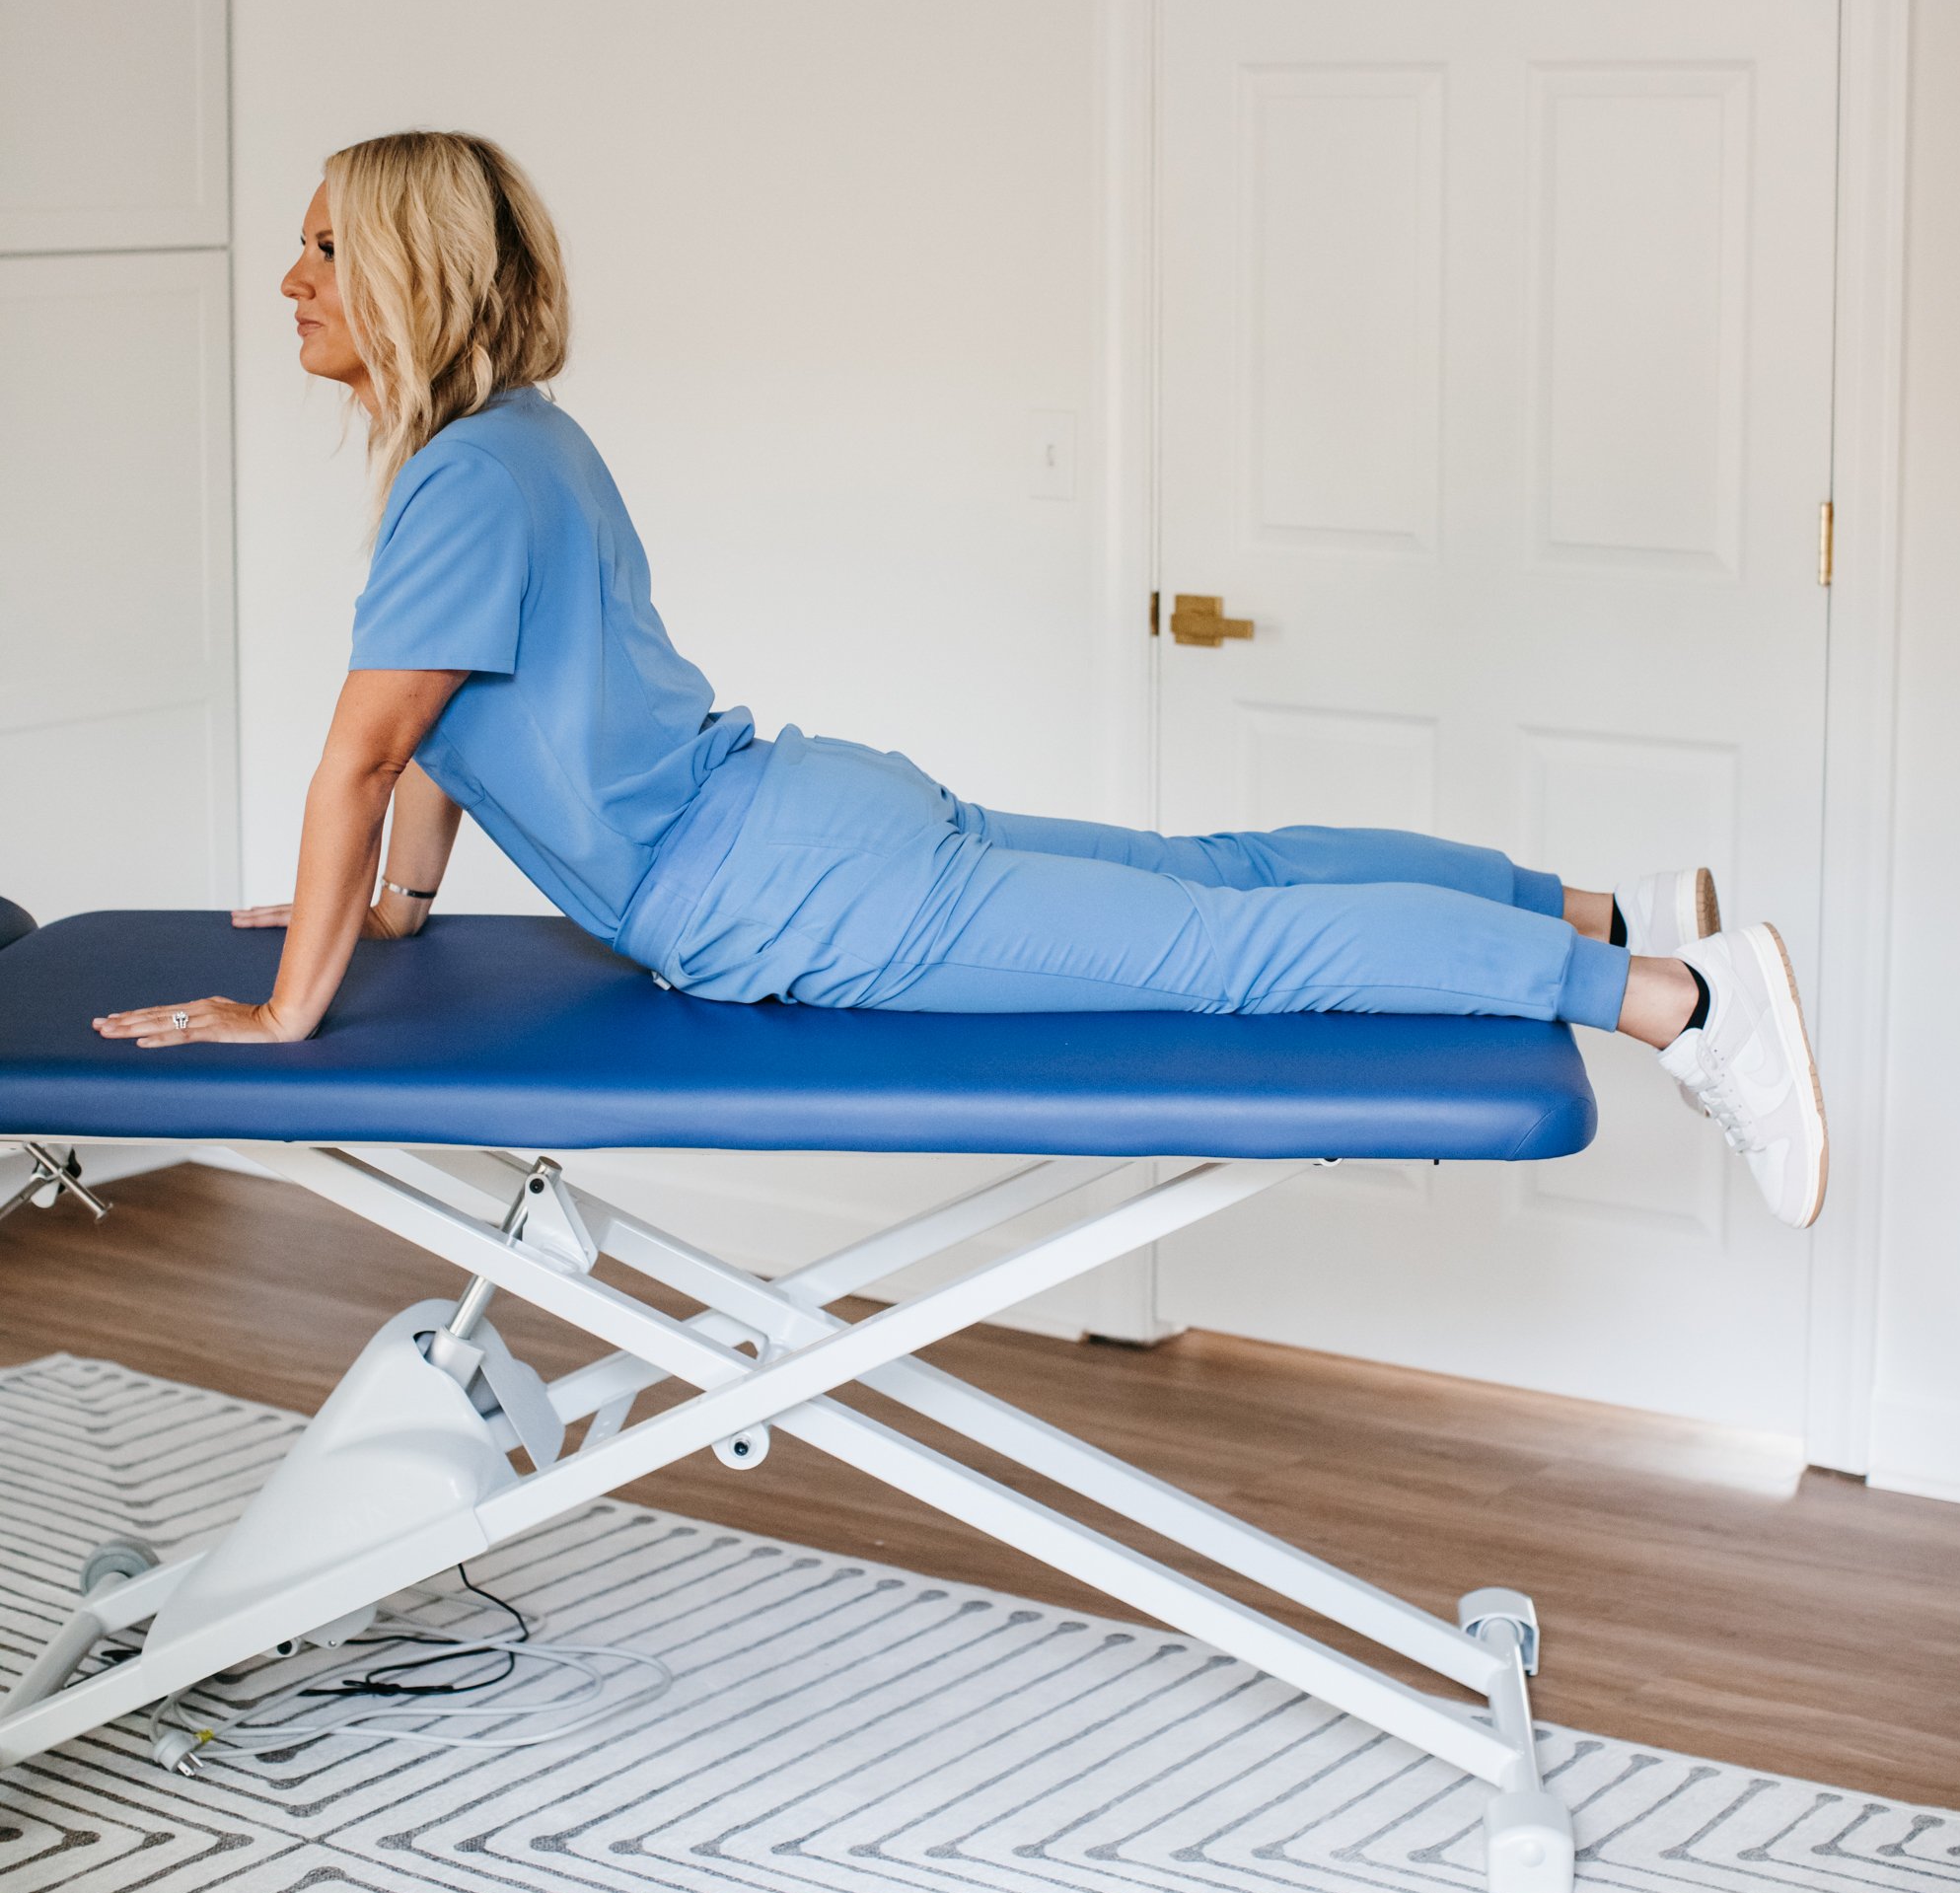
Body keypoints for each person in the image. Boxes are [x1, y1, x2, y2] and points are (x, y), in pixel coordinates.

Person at [92, 132, 1829, 1229]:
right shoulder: (516, 443)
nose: (293, 280)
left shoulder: (456, 479)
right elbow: (449, 741)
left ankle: (1678, 1001)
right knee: (1217, 882)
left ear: (406, 273)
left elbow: (362, 754)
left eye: (326, 248)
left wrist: (292, 1015)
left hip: (783, 895)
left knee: (1229, 955)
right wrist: (396, 915)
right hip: (803, 810)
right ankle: (1598, 907)